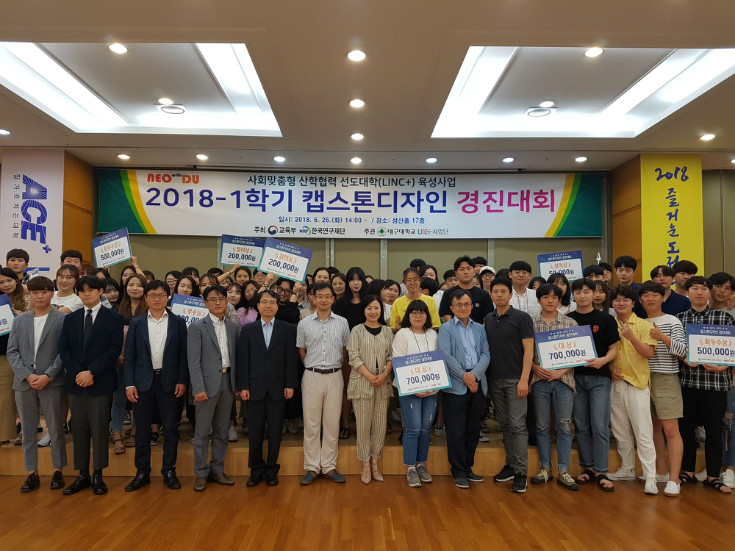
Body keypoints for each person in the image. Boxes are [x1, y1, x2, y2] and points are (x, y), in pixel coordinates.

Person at [58, 276, 124, 495]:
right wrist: (79, 373)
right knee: (78, 430)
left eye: (91, 290)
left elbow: (113, 350)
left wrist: (91, 372)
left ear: (100, 291)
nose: (86, 294)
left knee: (99, 429)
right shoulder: (71, 318)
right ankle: (82, 475)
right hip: (76, 381)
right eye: (82, 290)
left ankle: (98, 474)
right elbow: (64, 349)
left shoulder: (113, 318)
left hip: (100, 380)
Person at [123, 280, 188, 491]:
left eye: (161, 295)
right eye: (152, 295)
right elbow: (129, 357)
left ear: (168, 297)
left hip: (170, 383)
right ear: (146, 298)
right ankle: (142, 472)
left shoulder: (178, 323)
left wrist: (182, 380)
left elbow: (183, 356)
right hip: (143, 383)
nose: (157, 299)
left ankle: (169, 470)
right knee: (142, 430)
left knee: (170, 429)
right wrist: (129, 384)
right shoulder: (137, 324)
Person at [7, 276, 67, 492]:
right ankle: (31, 471)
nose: (40, 296)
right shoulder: (19, 320)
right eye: (35, 292)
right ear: (29, 295)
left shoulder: (61, 319)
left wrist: (47, 375)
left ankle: (58, 469)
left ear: (52, 293)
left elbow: (63, 352)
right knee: (28, 429)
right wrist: (26, 375)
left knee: (55, 428)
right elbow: (12, 351)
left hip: (51, 382)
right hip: (24, 383)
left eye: (44, 292)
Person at [676, 276, 734, 494]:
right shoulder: (679, 319)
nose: (699, 292)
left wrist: (724, 366)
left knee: (714, 431)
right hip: (688, 383)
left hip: (716, 384)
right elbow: (675, 349)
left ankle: (713, 476)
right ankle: (688, 471)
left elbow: (732, 350)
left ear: (709, 293)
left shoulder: (724, 318)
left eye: (703, 288)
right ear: (687, 292)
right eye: (694, 288)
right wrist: (684, 358)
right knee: (686, 430)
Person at [237, 290, 297, 487]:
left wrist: (289, 384)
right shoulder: (248, 330)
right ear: (258, 306)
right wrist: (243, 386)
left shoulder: (287, 329)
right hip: (254, 387)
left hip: (278, 387)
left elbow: (291, 359)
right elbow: (243, 360)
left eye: (272, 302)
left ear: (277, 306)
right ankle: (255, 471)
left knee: (275, 432)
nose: (268, 305)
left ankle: (272, 470)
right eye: (264, 302)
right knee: (254, 432)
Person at [567, 278, 620, 492]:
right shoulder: (567, 320)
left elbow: (614, 349)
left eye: (587, 291)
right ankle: (587, 467)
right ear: (573, 295)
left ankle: (601, 470)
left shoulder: (606, 319)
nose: (582, 295)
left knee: (599, 425)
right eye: (578, 292)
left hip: (599, 378)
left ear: (594, 294)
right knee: (581, 425)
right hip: (574, 379)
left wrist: (602, 361)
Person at [606, 285, 659, 495]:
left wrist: (631, 336)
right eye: (617, 300)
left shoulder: (644, 325)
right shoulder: (609, 324)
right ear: (612, 303)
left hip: (638, 384)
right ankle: (627, 468)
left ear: (633, 303)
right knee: (620, 430)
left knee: (643, 432)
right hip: (615, 384)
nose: (621, 303)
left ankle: (651, 476)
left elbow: (649, 353)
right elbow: (607, 353)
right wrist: (610, 369)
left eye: (625, 300)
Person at [297, 282, 350, 485]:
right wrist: (312, 367)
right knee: (311, 424)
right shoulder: (304, 323)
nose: (324, 300)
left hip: (335, 375)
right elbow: (301, 349)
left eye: (328, 296)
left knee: (331, 423)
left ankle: (328, 467)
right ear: (313, 298)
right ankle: (312, 467)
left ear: (333, 299)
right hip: (312, 376)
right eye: (320, 296)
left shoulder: (343, 323)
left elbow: (344, 349)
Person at [484, 278, 534, 494]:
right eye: (495, 291)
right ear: (491, 295)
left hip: (516, 380)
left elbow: (529, 350)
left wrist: (524, 379)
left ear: (511, 294)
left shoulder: (522, 318)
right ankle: (511, 465)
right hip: (495, 380)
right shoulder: (488, 318)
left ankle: (521, 472)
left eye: (503, 291)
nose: (499, 295)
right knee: (504, 425)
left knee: (517, 425)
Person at [187, 284, 239, 492]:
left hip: (228, 383)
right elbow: (193, 362)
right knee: (201, 433)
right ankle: (200, 473)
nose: (218, 303)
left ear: (226, 302)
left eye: (221, 299)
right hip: (206, 386)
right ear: (205, 303)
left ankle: (217, 470)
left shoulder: (233, 327)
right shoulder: (197, 327)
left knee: (221, 431)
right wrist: (198, 387)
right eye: (213, 299)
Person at [528, 283, 579, 491]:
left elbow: (578, 353)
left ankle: (564, 471)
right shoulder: (530, 323)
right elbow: (525, 353)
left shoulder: (570, 323)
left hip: (564, 382)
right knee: (541, 426)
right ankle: (545, 469)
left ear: (559, 300)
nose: (550, 300)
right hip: (539, 381)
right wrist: (534, 367)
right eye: (545, 297)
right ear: (539, 300)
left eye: (554, 297)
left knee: (564, 426)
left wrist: (560, 371)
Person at [638, 281, 686, 497]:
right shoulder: (639, 322)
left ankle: (674, 479)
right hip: (643, 379)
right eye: (646, 295)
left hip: (666, 378)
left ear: (662, 298)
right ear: (640, 300)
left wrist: (662, 337)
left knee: (671, 429)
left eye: (654, 295)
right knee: (653, 428)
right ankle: (661, 472)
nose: (650, 299)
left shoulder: (672, 321)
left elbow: (682, 351)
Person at [439, 289, 490, 489]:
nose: (463, 308)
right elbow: (445, 355)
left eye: (466, 304)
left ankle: (468, 467)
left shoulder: (479, 328)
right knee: (456, 430)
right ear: (452, 308)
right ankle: (458, 470)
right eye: (459, 305)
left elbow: (486, 354)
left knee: (473, 430)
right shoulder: (446, 329)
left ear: (471, 306)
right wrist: (465, 377)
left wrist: (474, 375)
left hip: (476, 381)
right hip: (456, 383)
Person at [346, 295, 393, 484]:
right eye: (369, 308)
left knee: (380, 426)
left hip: (383, 384)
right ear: (364, 310)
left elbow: (392, 356)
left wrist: (384, 374)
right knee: (363, 426)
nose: (373, 312)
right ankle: (365, 463)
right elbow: (353, 356)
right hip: (362, 383)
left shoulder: (387, 331)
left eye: (376, 308)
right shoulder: (357, 330)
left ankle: (375, 462)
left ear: (381, 310)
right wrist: (370, 376)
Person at [392, 300, 439, 487]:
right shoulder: (402, 334)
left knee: (426, 428)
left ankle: (421, 465)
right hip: (409, 389)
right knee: (413, 428)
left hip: (431, 389)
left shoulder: (433, 334)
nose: (418, 316)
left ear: (427, 315)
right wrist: (416, 388)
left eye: (422, 312)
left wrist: (431, 386)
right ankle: (411, 468)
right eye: (414, 313)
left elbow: (437, 361)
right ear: (408, 315)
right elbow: (398, 362)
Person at [0, 268, 30, 446]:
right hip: (3, 352)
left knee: (24, 394)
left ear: (16, 281)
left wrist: (20, 317)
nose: (5, 285)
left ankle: (26, 431)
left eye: (9, 280)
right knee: (4, 395)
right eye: (1, 282)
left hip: (24, 353)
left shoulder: (28, 299)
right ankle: (4, 433)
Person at [439, 256, 493, 324]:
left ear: (474, 271)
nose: (465, 272)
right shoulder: (448, 294)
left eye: (469, 268)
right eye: (462, 269)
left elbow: (487, 319)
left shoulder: (484, 294)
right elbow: (447, 318)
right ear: (456, 274)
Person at [391, 268, 441, 332]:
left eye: (415, 280)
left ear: (420, 281)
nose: (412, 283)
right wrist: (397, 328)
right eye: (409, 280)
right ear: (404, 282)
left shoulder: (430, 300)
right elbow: (392, 328)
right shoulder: (397, 302)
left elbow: (435, 325)